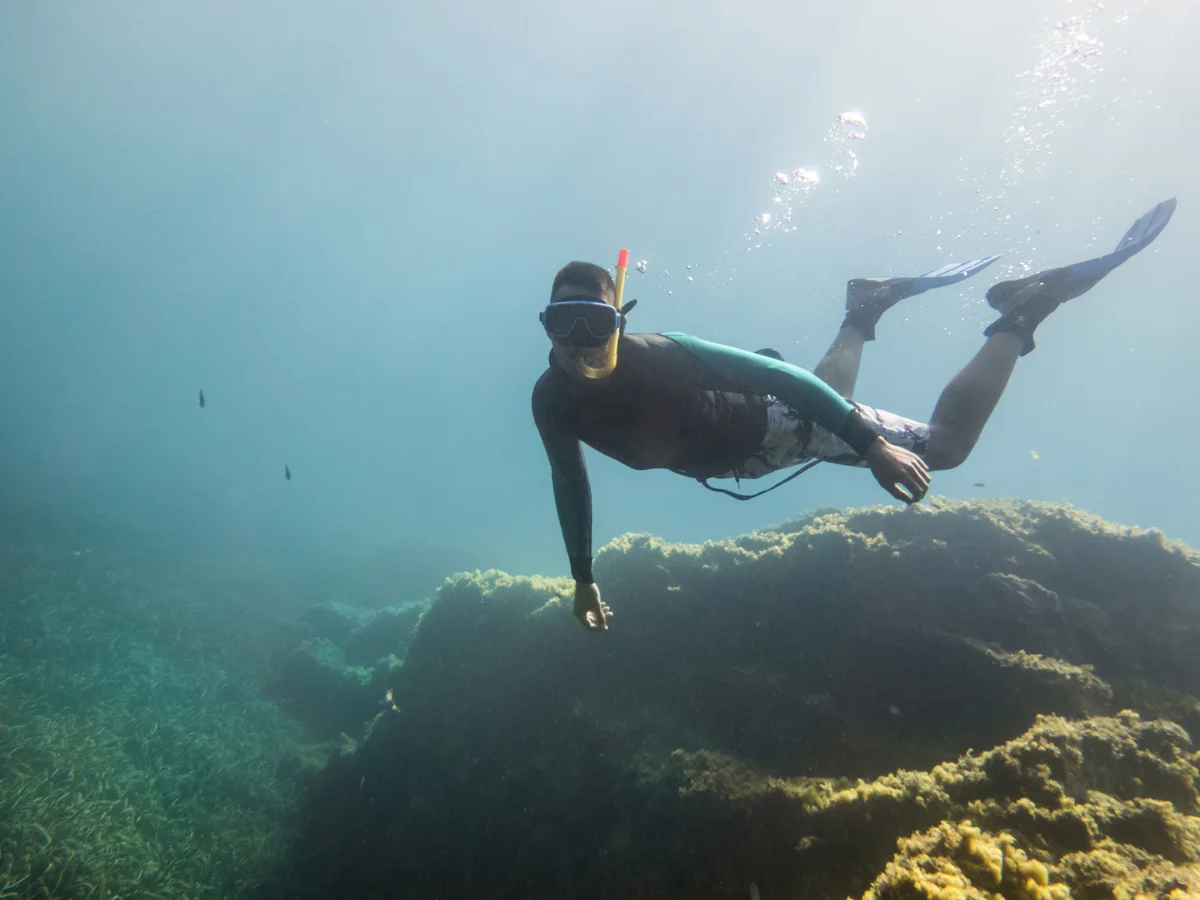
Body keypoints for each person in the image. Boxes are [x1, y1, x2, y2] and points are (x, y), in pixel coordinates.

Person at [532, 199, 1176, 632]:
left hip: (776, 424)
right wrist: (582, 577)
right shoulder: (552, 401)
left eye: (599, 322)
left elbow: (778, 379)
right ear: (547, 327)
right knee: (821, 396)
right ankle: (864, 307)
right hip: (759, 449)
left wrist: (871, 446)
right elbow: (571, 483)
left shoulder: (657, 356)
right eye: (565, 322)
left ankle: (1022, 310)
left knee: (945, 448)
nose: (582, 340)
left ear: (624, 322)